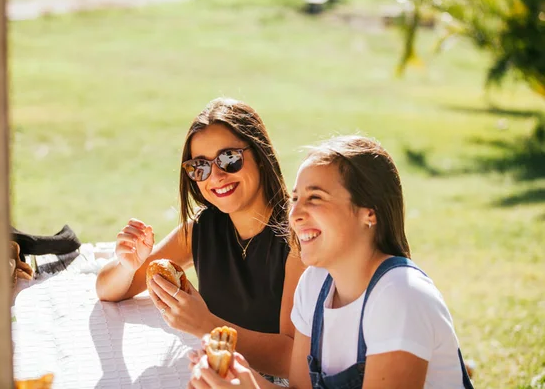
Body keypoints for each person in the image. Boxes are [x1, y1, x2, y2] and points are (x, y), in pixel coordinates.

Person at [188, 135, 474, 389]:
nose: (295, 214)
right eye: (296, 198)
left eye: (315, 198)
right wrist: (240, 378)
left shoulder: (400, 294)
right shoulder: (314, 284)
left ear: (368, 213)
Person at [95, 98, 306, 380]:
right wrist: (128, 265)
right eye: (200, 167)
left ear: (260, 153)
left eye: (229, 159)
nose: (216, 176)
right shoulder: (203, 229)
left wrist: (205, 325)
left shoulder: (298, 237)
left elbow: (291, 359)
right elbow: (108, 290)